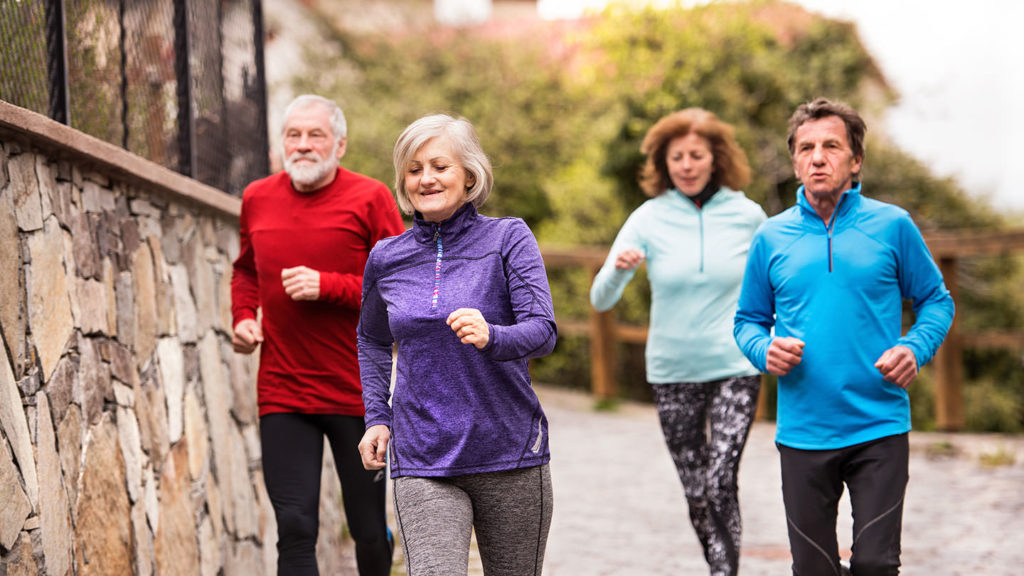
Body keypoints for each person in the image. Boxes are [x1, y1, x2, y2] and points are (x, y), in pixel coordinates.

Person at [734, 98, 955, 575]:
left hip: (879, 427)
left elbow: (937, 301)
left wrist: (914, 348)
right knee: (814, 571)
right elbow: (747, 320)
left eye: (832, 146)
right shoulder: (770, 238)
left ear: (855, 161)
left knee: (876, 564)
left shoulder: (893, 226)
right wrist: (763, 348)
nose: (818, 157)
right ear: (795, 162)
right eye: (806, 147)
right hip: (803, 432)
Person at [356, 114, 557, 576]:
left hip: (508, 451)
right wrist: (377, 416)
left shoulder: (508, 238)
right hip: (422, 454)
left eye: (439, 166)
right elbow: (370, 337)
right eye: (413, 168)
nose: (426, 178)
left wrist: (493, 336)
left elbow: (543, 331)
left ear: (469, 174)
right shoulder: (386, 257)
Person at [230, 94, 405, 575]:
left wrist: (327, 285)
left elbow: (398, 286)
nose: (303, 145)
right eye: (293, 135)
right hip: (283, 389)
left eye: (315, 135)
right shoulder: (257, 197)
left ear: (340, 144)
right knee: (295, 526)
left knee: (368, 528)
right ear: (280, 143)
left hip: (357, 391)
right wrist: (244, 316)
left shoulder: (370, 198)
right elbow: (245, 270)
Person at [590, 108, 767, 576]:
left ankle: (723, 572)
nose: (686, 165)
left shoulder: (748, 215)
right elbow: (600, 298)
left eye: (696, 155)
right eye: (676, 158)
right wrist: (619, 270)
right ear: (664, 165)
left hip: (735, 363)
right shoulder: (648, 218)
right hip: (672, 369)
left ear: (716, 159)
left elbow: (781, 283)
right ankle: (718, 563)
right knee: (696, 489)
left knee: (720, 476)